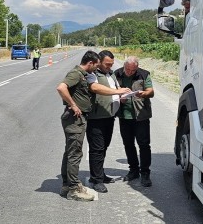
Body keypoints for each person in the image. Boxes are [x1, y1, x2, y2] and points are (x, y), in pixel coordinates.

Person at [56, 50, 131, 201]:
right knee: (75, 153)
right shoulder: (78, 73)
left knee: (72, 151)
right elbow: (61, 87)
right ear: (91, 63)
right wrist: (73, 105)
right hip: (78, 118)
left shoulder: (90, 73)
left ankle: (68, 185)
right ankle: (74, 188)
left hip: (91, 117)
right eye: (98, 65)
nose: (98, 68)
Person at [115, 56, 154, 187]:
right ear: (124, 66)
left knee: (144, 145)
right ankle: (133, 170)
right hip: (124, 116)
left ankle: (145, 173)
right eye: (128, 69)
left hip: (141, 116)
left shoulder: (144, 74)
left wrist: (143, 94)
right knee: (128, 144)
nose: (130, 72)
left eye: (133, 70)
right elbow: (111, 91)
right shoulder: (117, 74)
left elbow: (151, 91)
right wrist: (119, 96)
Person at [85, 50, 121, 193]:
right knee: (97, 149)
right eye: (107, 64)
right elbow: (95, 88)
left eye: (111, 64)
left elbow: (114, 89)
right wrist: (118, 92)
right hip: (96, 117)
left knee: (104, 147)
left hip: (109, 116)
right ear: (99, 62)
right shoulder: (92, 74)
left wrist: (122, 95)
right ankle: (96, 180)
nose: (109, 67)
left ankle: (100, 174)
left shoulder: (111, 74)